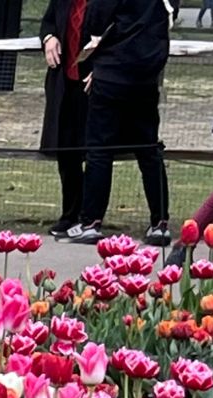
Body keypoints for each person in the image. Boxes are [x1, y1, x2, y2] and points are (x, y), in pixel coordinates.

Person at [64, 0, 170, 243]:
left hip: (112, 73)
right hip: (146, 77)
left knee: (99, 150)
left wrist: (95, 62)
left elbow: (95, 21)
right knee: (149, 150)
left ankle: (91, 222)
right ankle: (160, 223)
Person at [39, 0, 92, 234]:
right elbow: (49, 20)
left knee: (94, 153)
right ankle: (69, 214)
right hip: (65, 84)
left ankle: (89, 216)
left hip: (94, 85)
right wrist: (49, 37)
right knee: (66, 152)